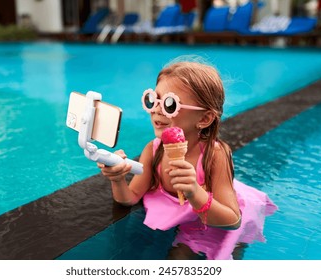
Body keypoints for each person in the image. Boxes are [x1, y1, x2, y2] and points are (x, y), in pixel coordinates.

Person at [98, 58, 277, 260]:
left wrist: (194, 191)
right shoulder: (154, 149)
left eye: (169, 104)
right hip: (177, 211)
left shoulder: (215, 155)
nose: (156, 109)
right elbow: (130, 198)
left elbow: (232, 219)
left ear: (204, 119)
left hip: (212, 214)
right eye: (152, 100)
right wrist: (117, 178)